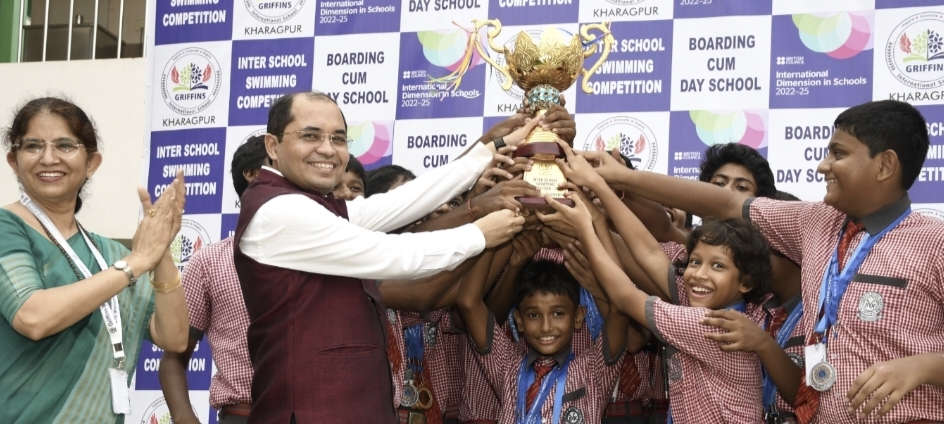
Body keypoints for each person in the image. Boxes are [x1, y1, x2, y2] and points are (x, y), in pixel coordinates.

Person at [577, 99, 944, 423]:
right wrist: (621, 178)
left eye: (838, 154)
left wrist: (922, 366)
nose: (823, 166)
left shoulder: (935, 242)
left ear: (885, 165)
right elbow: (726, 204)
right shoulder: (816, 221)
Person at [233, 91, 531, 423]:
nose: (327, 149)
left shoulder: (306, 202)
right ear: (273, 146)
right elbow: (391, 254)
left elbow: (399, 203)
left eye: (338, 138)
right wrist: (480, 234)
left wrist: (491, 150)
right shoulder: (279, 211)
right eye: (311, 136)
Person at [0, 96, 190, 423]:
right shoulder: (7, 228)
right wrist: (137, 262)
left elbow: (173, 337)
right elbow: (32, 317)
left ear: (91, 162)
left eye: (64, 145)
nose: (48, 158)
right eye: (32, 146)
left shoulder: (109, 255)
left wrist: (160, 254)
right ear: (14, 161)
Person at [159, 136, 269, 424]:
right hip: (242, 415)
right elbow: (173, 359)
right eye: (280, 169)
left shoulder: (317, 255)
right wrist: (185, 418)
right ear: (253, 174)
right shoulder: (210, 262)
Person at [456, 250, 632, 424]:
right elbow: (468, 302)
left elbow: (620, 307)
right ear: (520, 320)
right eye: (534, 315)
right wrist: (488, 240)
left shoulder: (593, 370)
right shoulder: (507, 367)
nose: (546, 327)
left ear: (578, 317)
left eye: (558, 313)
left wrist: (597, 287)